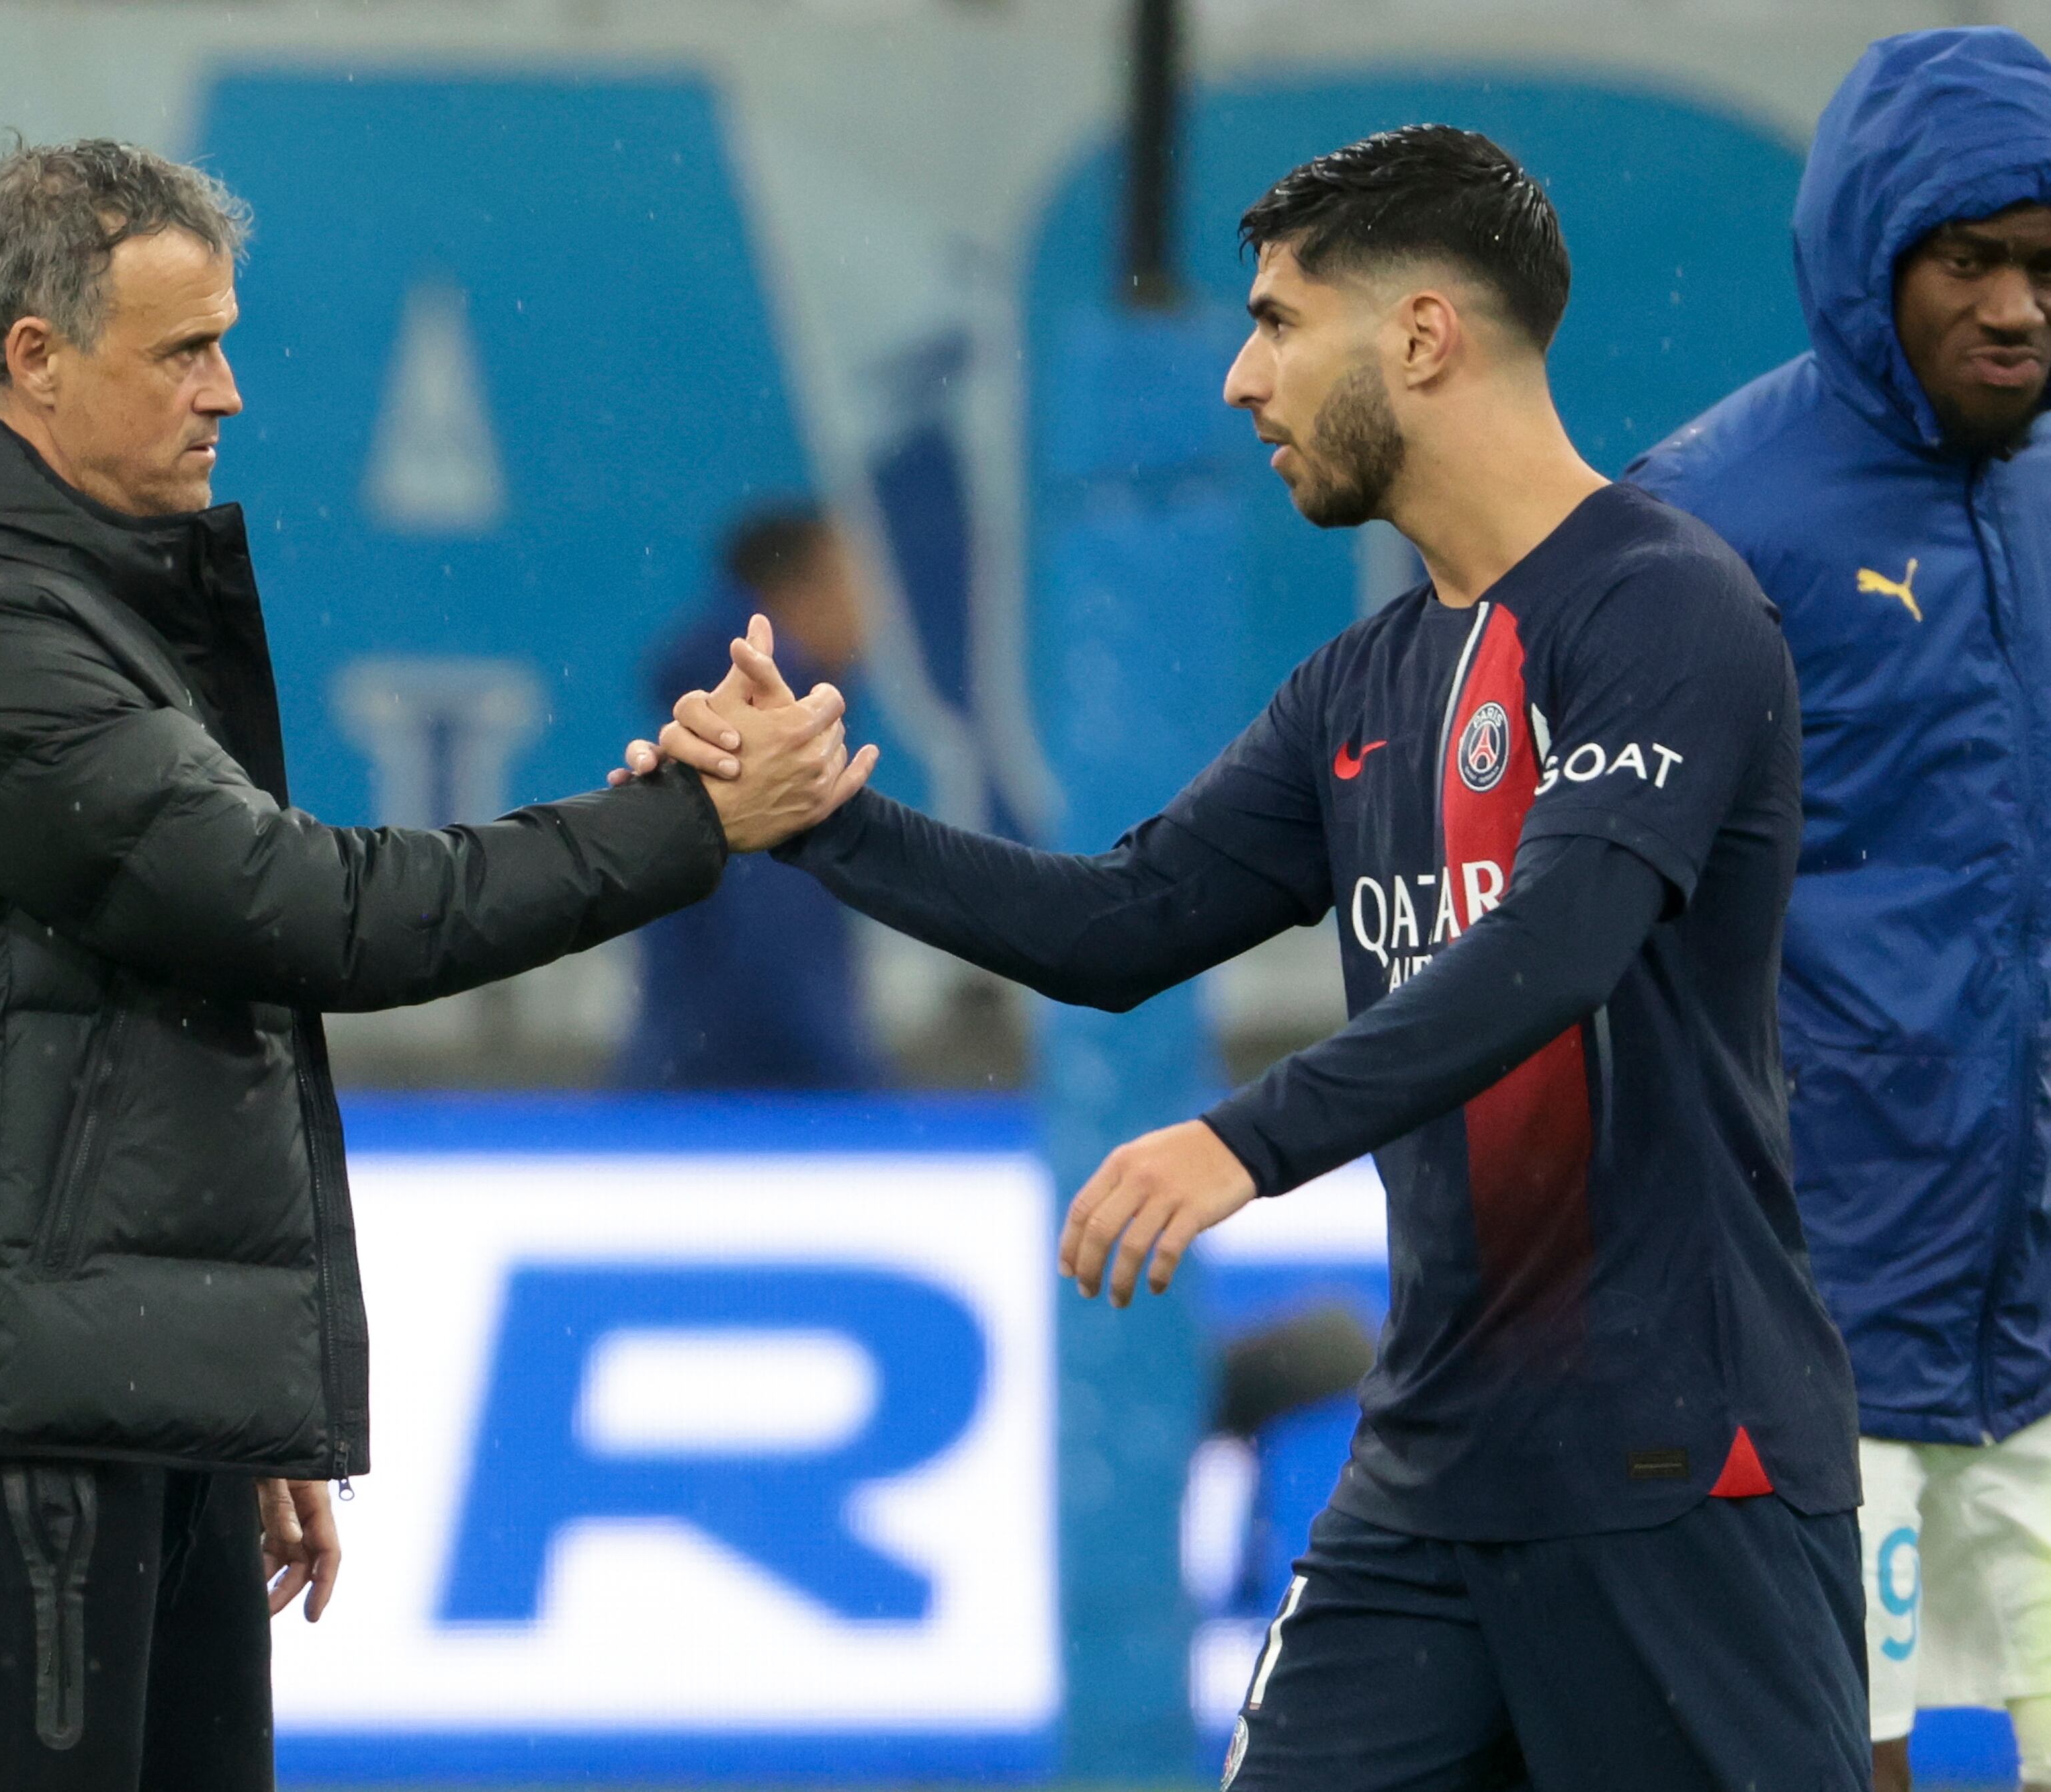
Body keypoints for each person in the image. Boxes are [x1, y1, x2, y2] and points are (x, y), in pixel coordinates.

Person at [625, 124, 1866, 1789]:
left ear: (1421, 337)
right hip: (1429, 1479)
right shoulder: (1358, 687)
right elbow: (1115, 925)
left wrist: (1243, 1137)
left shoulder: (1664, 610)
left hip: (1673, 1468)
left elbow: (1562, 944)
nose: (1235, 377)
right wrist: (820, 821)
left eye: (1279, 321)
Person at [0, 139, 868, 1792]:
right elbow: (311, 918)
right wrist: (687, 828)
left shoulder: (64, 603)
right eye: (184, 352)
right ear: (35, 362)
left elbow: (183, 1009)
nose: (228, 395)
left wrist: (216, 1387)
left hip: (109, 1382)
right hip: (27, 1406)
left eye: (225, 342)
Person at [1626, 28, 2051, 1790]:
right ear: (1872, 263)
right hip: (1809, 1300)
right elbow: (1593, 927)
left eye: (2048, 263)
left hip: (2032, 1304)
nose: (2021, 306)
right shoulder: (1699, 521)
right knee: (1830, 1752)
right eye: (1974, 260)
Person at [619, 504, 882, 1088]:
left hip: (688, 1088)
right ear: (796, 596)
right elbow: (775, 948)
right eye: (854, 586)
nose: (868, 616)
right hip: (752, 1104)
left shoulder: (710, 720)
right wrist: (849, 1093)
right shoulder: (765, 740)